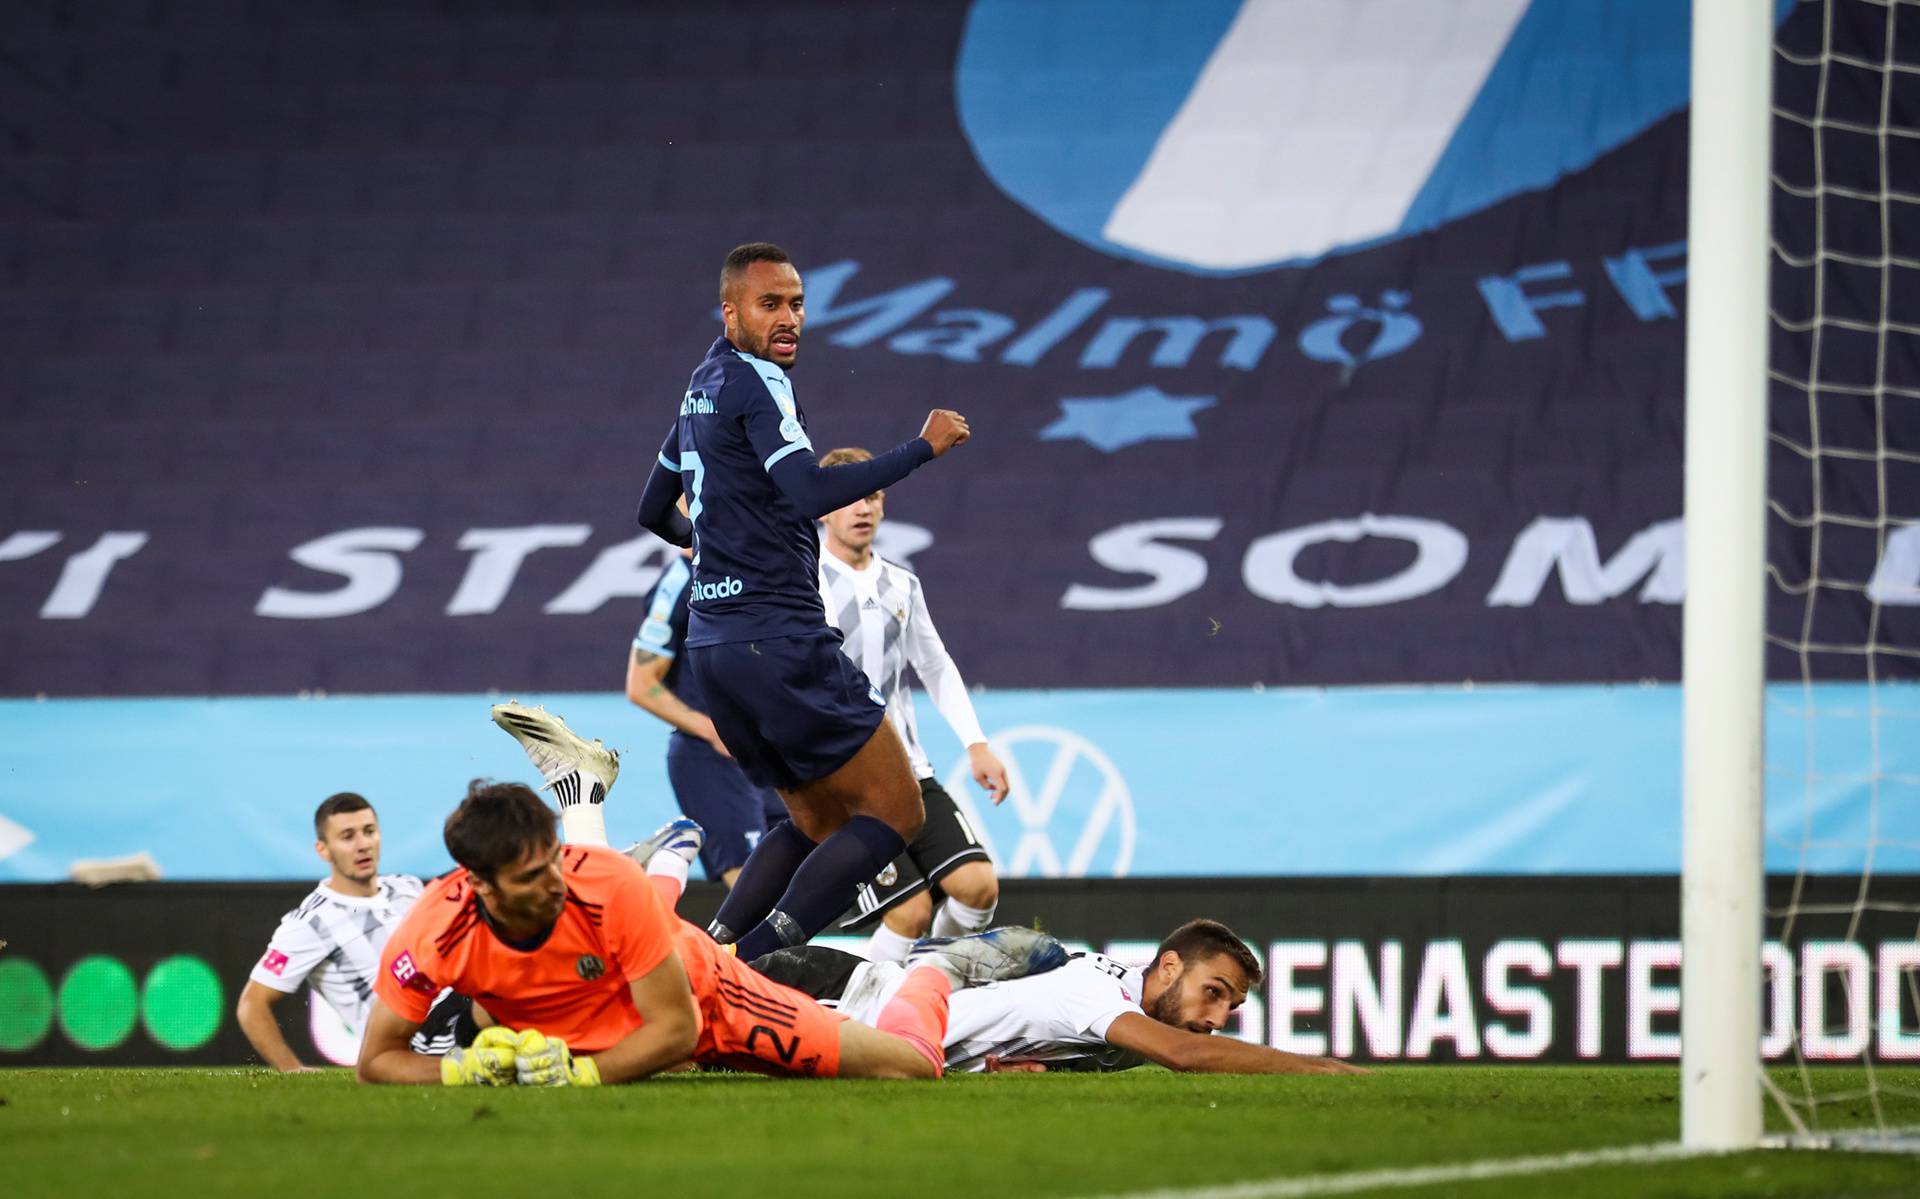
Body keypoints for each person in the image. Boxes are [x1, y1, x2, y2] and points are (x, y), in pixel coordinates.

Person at [631, 241, 971, 961]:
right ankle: (749, 964)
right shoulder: (758, 382)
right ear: (731, 311)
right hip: (779, 640)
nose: (789, 318)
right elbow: (812, 493)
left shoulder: (702, 385)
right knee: (898, 809)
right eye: (769, 304)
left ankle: (717, 946)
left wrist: (716, 546)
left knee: (815, 819)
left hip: (716, 649)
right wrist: (923, 447)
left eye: (796, 303)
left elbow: (653, 510)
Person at [356, 778, 1064, 1087]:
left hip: (708, 998)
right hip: (595, 1022)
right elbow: (377, 1058)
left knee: (910, 1066)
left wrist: (577, 1076)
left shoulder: (604, 882)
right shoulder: (432, 929)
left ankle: (932, 972)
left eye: (554, 860)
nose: (555, 882)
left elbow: (674, 1026)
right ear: (478, 885)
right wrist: (455, 1069)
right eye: (531, 877)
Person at [813, 446, 1008, 961]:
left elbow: (936, 666)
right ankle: (866, 1020)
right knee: (910, 911)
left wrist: (976, 743)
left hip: (909, 771)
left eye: (872, 495)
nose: (863, 508)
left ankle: (935, 981)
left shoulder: (902, 584)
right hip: (842, 783)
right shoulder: (801, 582)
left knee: (978, 887)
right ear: (823, 508)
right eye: (849, 497)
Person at [753, 919, 1364, 1076]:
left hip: (868, 1025)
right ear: (1169, 965)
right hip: (839, 998)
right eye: (1213, 993)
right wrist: (1319, 1067)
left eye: (1229, 1006)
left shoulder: (1127, 993)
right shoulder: (1092, 993)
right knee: (672, 1031)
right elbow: (1186, 1055)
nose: (1215, 1018)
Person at [236, 792, 472, 1071]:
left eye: (369, 832)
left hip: (456, 1009)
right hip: (412, 1037)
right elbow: (252, 1005)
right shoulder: (311, 922)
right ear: (323, 849)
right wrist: (292, 1069)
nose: (362, 845)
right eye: (347, 837)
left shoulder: (406, 887)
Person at [626, 543, 788, 887]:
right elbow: (640, 684)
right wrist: (713, 731)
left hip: (763, 758)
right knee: (753, 893)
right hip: (711, 760)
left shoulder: (752, 571)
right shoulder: (678, 580)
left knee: (795, 881)